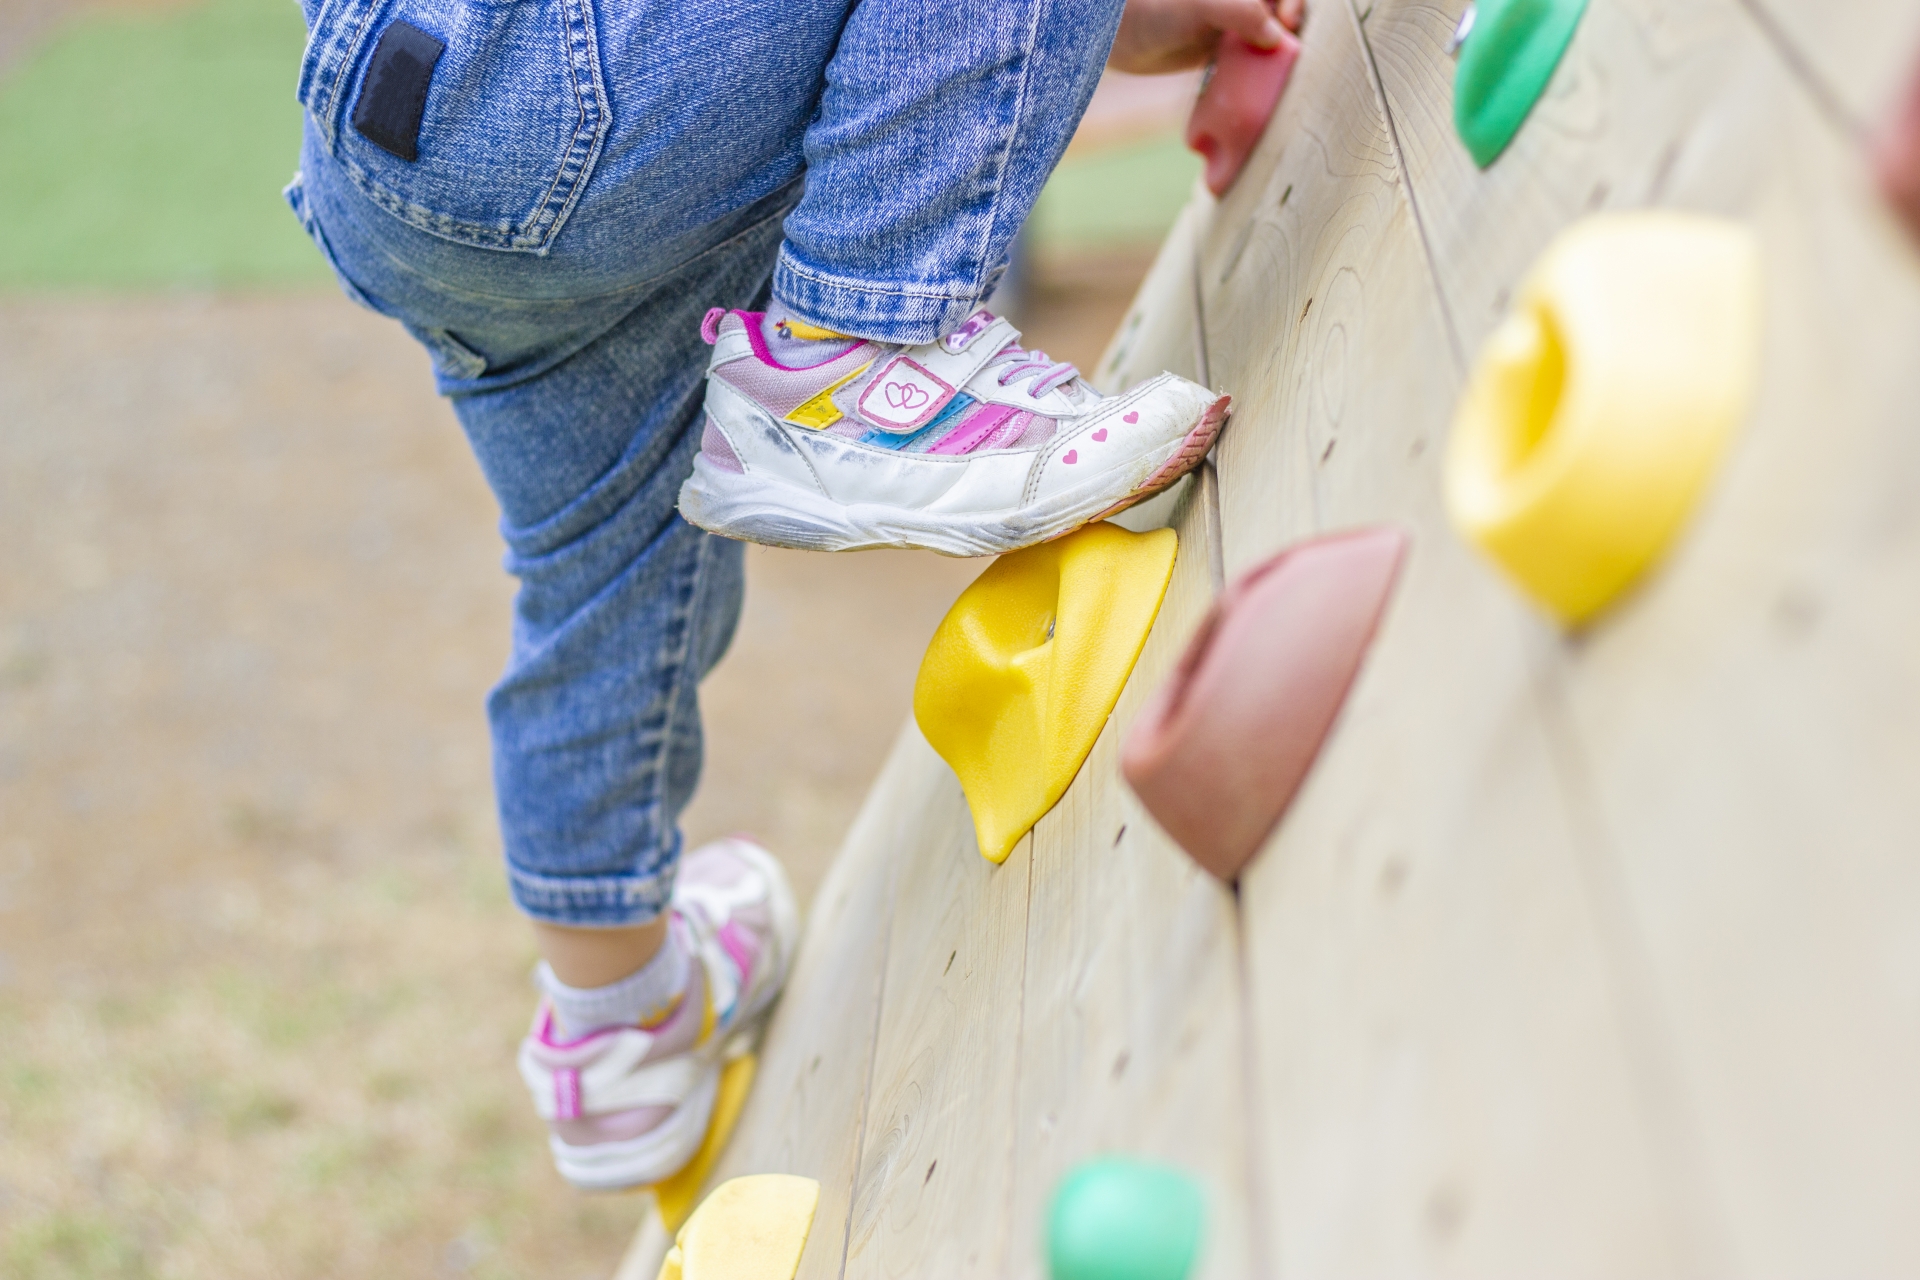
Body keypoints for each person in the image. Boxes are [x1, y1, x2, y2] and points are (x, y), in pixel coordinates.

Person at [288, 0, 1300, 1191]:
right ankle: (865, 351)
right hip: (555, 85)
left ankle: (618, 1019)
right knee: (597, 554)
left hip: (392, 141)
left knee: (600, 567)